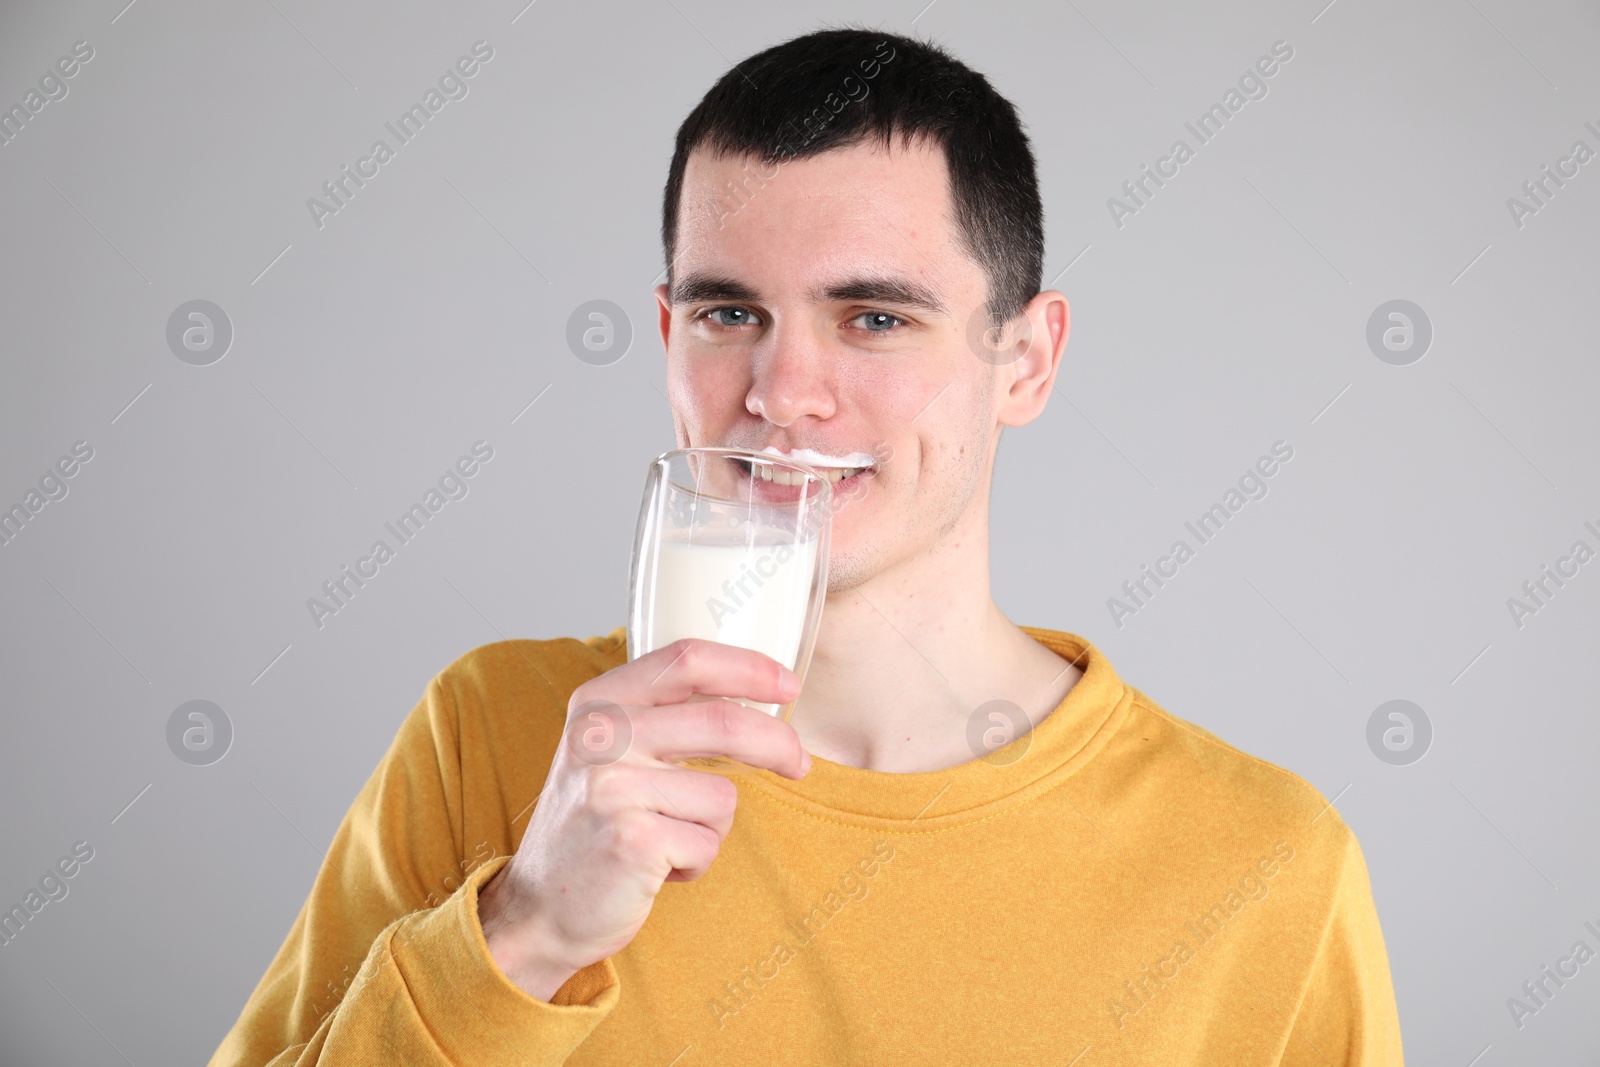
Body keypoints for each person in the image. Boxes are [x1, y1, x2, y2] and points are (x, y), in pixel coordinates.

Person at [209, 26, 1403, 1066]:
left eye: (874, 317)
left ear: (1025, 359)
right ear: (670, 334)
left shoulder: (1269, 866)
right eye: (732, 313)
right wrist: (522, 933)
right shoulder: (488, 734)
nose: (782, 393)